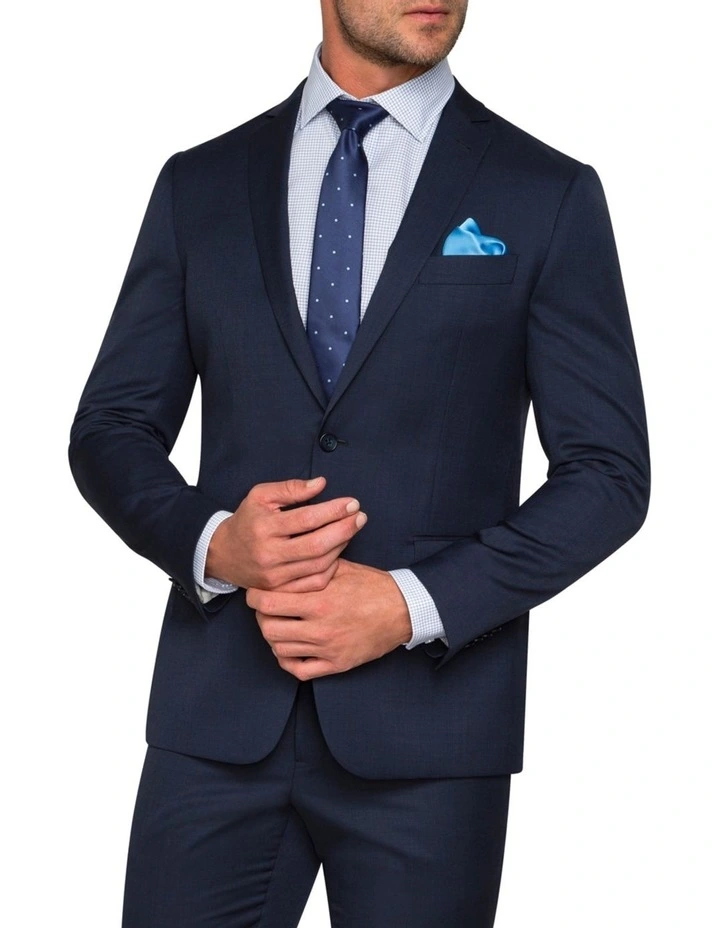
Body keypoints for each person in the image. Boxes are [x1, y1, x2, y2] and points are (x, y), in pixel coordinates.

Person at [68, 1, 651, 925]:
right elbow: (110, 428)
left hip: (431, 740)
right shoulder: (200, 184)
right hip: (216, 722)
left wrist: (412, 604)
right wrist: (215, 544)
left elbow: (608, 475)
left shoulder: (545, 191)